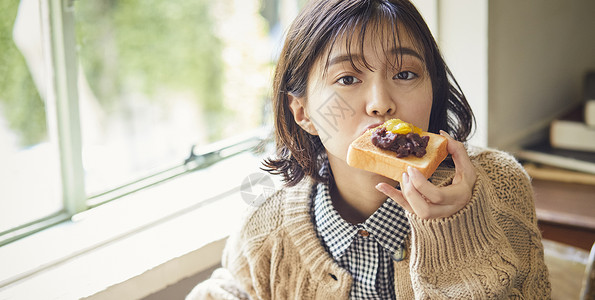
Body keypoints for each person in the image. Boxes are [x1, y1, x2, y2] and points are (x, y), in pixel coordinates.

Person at [187, 0, 551, 298]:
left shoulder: (499, 185)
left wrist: (455, 233)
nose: (380, 104)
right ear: (302, 112)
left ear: (433, 90)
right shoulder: (264, 225)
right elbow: (231, 287)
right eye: (347, 78)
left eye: (405, 75)